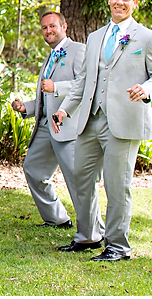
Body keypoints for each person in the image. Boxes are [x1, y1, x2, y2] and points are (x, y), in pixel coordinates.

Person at [52, 0, 152, 261]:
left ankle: (117, 246)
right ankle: (88, 236)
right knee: (82, 178)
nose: (120, 2)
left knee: (117, 185)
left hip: (124, 121)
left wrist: (146, 90)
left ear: (134, 3)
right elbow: (83, 81)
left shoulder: (147, 38)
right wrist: (65, 109)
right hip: (90, 120)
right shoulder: (95, 37)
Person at [11, 12, 100, 239]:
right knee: (33, 170)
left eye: (52, 26)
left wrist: (57, 87)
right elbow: (46, 96)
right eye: (44, 28)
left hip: (67, 125)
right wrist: (27, 108)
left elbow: (87, 85)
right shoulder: (50, 56)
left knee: (77, 179)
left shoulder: (79, 50)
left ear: (64, 26)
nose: (48, 31)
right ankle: (56, 218)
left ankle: (94, 231)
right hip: (44, 126)